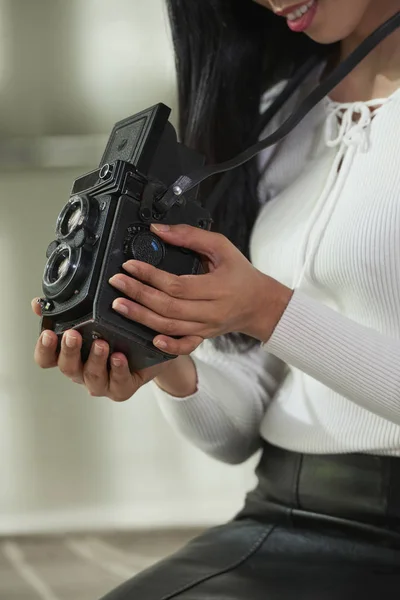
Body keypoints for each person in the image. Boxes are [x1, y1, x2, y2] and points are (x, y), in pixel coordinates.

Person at [32, 0, 400, 597]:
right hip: (290, 513)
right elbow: (238, 430)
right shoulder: (282, 111)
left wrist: (264, 309)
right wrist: (162, 351)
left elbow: (273, 315)